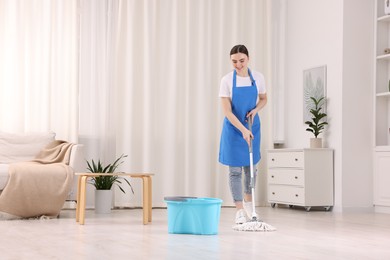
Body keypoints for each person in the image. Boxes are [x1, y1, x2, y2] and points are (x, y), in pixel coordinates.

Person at [218, 44, 267, 224]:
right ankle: (239, 210)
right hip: (234, 129)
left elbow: (263, 99)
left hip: (252, 127)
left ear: (248, 58)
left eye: (241, 60)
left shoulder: (258, 78)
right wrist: (242, 130)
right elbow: (227, 112)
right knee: (235, 171)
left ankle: (249, 205)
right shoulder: (226, 81)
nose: (238, 65)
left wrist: (255, 110)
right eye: (234, 61)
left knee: (250, 169)